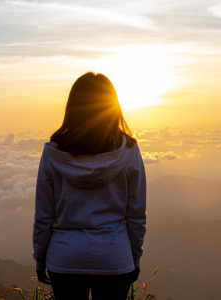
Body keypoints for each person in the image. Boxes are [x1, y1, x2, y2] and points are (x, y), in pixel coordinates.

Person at [32, 72, 147, 300]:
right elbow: (136, 214)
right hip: (114, 256)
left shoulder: (53, 152)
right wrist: (134, 257)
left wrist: (40, 257)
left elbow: (44, 214)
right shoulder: (129, 150)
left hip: (64, 257)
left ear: (73, 106)